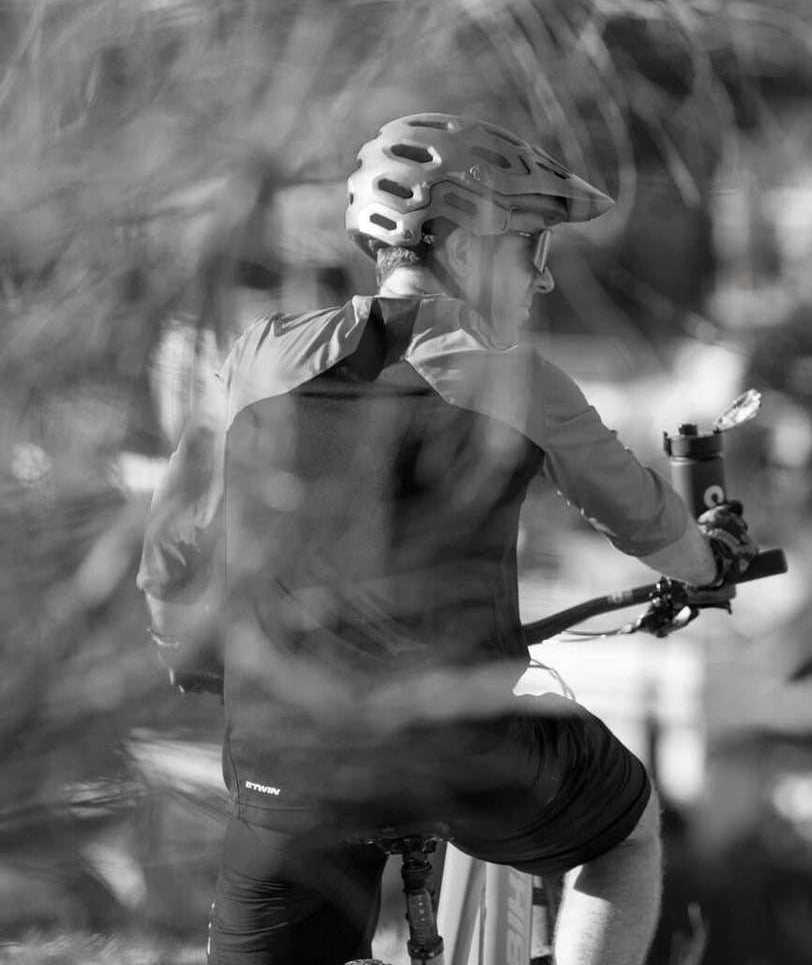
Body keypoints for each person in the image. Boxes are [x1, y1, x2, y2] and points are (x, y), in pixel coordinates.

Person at [137, 112, 757, 965]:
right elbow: (651, 525)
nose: (538, 279)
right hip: (458, 753)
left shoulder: (258, 357)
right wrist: (709, 560)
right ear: (467, 245)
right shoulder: (518, 381)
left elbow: (170, 552)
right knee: (627, 833)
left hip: (285, 761)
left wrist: (190, 649)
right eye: (532, 246)